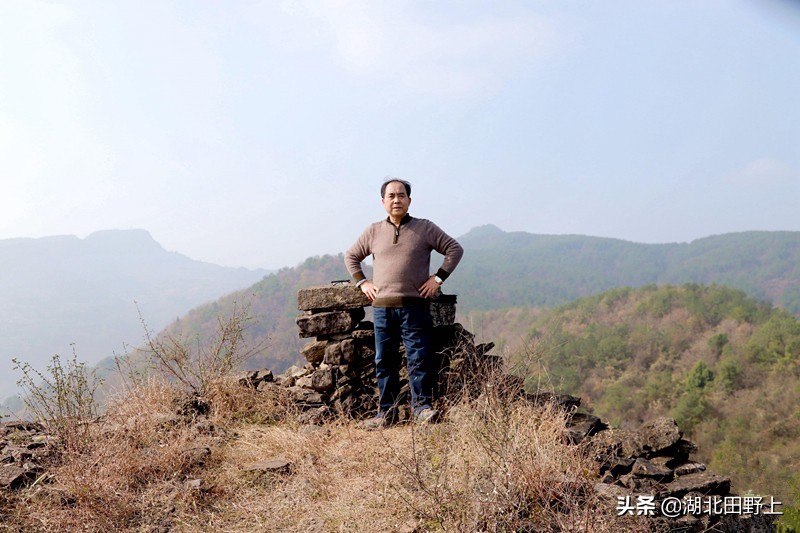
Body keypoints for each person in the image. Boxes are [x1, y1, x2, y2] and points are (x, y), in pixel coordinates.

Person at [345, 178, 464, 428]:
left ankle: (421, 409)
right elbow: (351, 256)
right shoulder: (373, 231)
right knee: (384, 361)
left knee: (419, 358)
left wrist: (437, 279)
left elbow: (454, 249)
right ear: (383, 201)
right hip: (382, 308)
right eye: (391, 196)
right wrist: (362, 283)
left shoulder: (424, 228)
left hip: (415, 306)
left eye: (401, 195)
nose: (396, 200)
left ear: (409, 200)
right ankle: (386, 414)